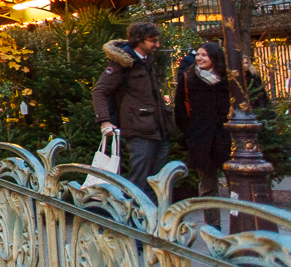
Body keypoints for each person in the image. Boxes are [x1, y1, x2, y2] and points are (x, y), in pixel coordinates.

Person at [91, 22, 175, 199]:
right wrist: (104, 121)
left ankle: (153, 214)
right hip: (138, 128)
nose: (157, 44)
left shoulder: (146, 60)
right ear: (139, 40)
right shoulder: (122, 63)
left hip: (157, 127)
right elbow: (99, 91)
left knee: (157, 180)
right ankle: (133, 213)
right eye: (152, 41)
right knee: (140, 180)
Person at [174, 43, 230, 228]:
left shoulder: (226, 79)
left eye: (204, 55)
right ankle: (213, 228)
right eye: (198, 54)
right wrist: (190, 133)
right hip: (201, 139)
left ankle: (239, 223)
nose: (199, 58)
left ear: (215, 57)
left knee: (236, 183)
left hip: (224, 137)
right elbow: (179, 108)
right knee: (208, 186)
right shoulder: (188, 78)